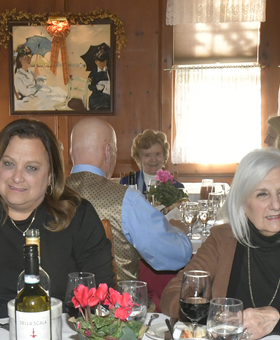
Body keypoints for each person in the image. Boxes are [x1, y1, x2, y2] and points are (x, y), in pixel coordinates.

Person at [161, 148, 280, 339]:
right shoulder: (222, 239)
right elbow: (173, 293)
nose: (276, 205)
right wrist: (214, 318)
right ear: (241, 202)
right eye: (262, 194)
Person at [0, 118, 114, 309]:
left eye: (31, 168)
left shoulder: (78, 217)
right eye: (9, 164)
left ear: (50, 176)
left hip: (59, 334)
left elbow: (102, 298)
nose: (17, 177)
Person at [65, 117, 192, 285]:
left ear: (71, 152)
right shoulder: (126, 199)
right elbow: (175, 256)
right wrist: (180, 232)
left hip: (60, 307)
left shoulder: (46, 195)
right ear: (107, 151)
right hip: (119, 308)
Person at [119, 129, 173, 195]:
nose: (153, 160)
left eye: (157, 154)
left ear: (164, 156)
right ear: (139, 158)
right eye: (147, 155)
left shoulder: (176, 187)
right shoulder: (125, 184)